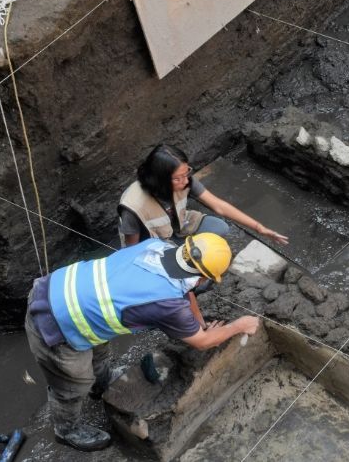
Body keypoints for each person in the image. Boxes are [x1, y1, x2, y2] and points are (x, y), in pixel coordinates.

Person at [24, 233, 260, 451]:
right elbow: (201, 342)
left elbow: (185, 290)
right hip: (53, 322)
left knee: (99, 349)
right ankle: (66, 430)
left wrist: (199, 321)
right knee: (73, 384)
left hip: (61, 287)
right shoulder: (166, 303)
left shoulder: (159, 247)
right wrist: (239, 326)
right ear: (202, 278)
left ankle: (102, 384)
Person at [118, 144, 289, 247]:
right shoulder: (133, 208)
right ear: (159, 178)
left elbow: (219, 206)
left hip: (180, 226)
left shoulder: (185, 181)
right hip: (155, 242)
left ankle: (182, 251)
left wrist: (260, 228)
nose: (186, 181)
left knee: (220, 228)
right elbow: (132, 250)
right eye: (178, 178)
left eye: (187, 173)